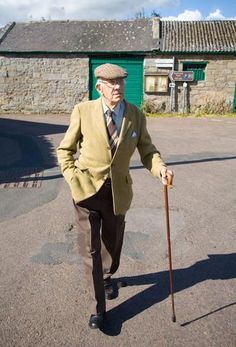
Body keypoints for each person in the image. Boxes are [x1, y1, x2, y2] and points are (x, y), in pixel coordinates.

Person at [57, 63, 173, 329]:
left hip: (118, 192)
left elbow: (147, 150)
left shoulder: (135, 115)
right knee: (90, 251)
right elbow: (65, 149)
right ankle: (98, 309)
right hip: (86, 190)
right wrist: (73, 177)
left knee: (113, 242)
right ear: (99, 87)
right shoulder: (83, 111)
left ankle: (108, 276)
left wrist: (161, 169)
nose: (117, 87)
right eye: (111, 83)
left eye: (120, 82)